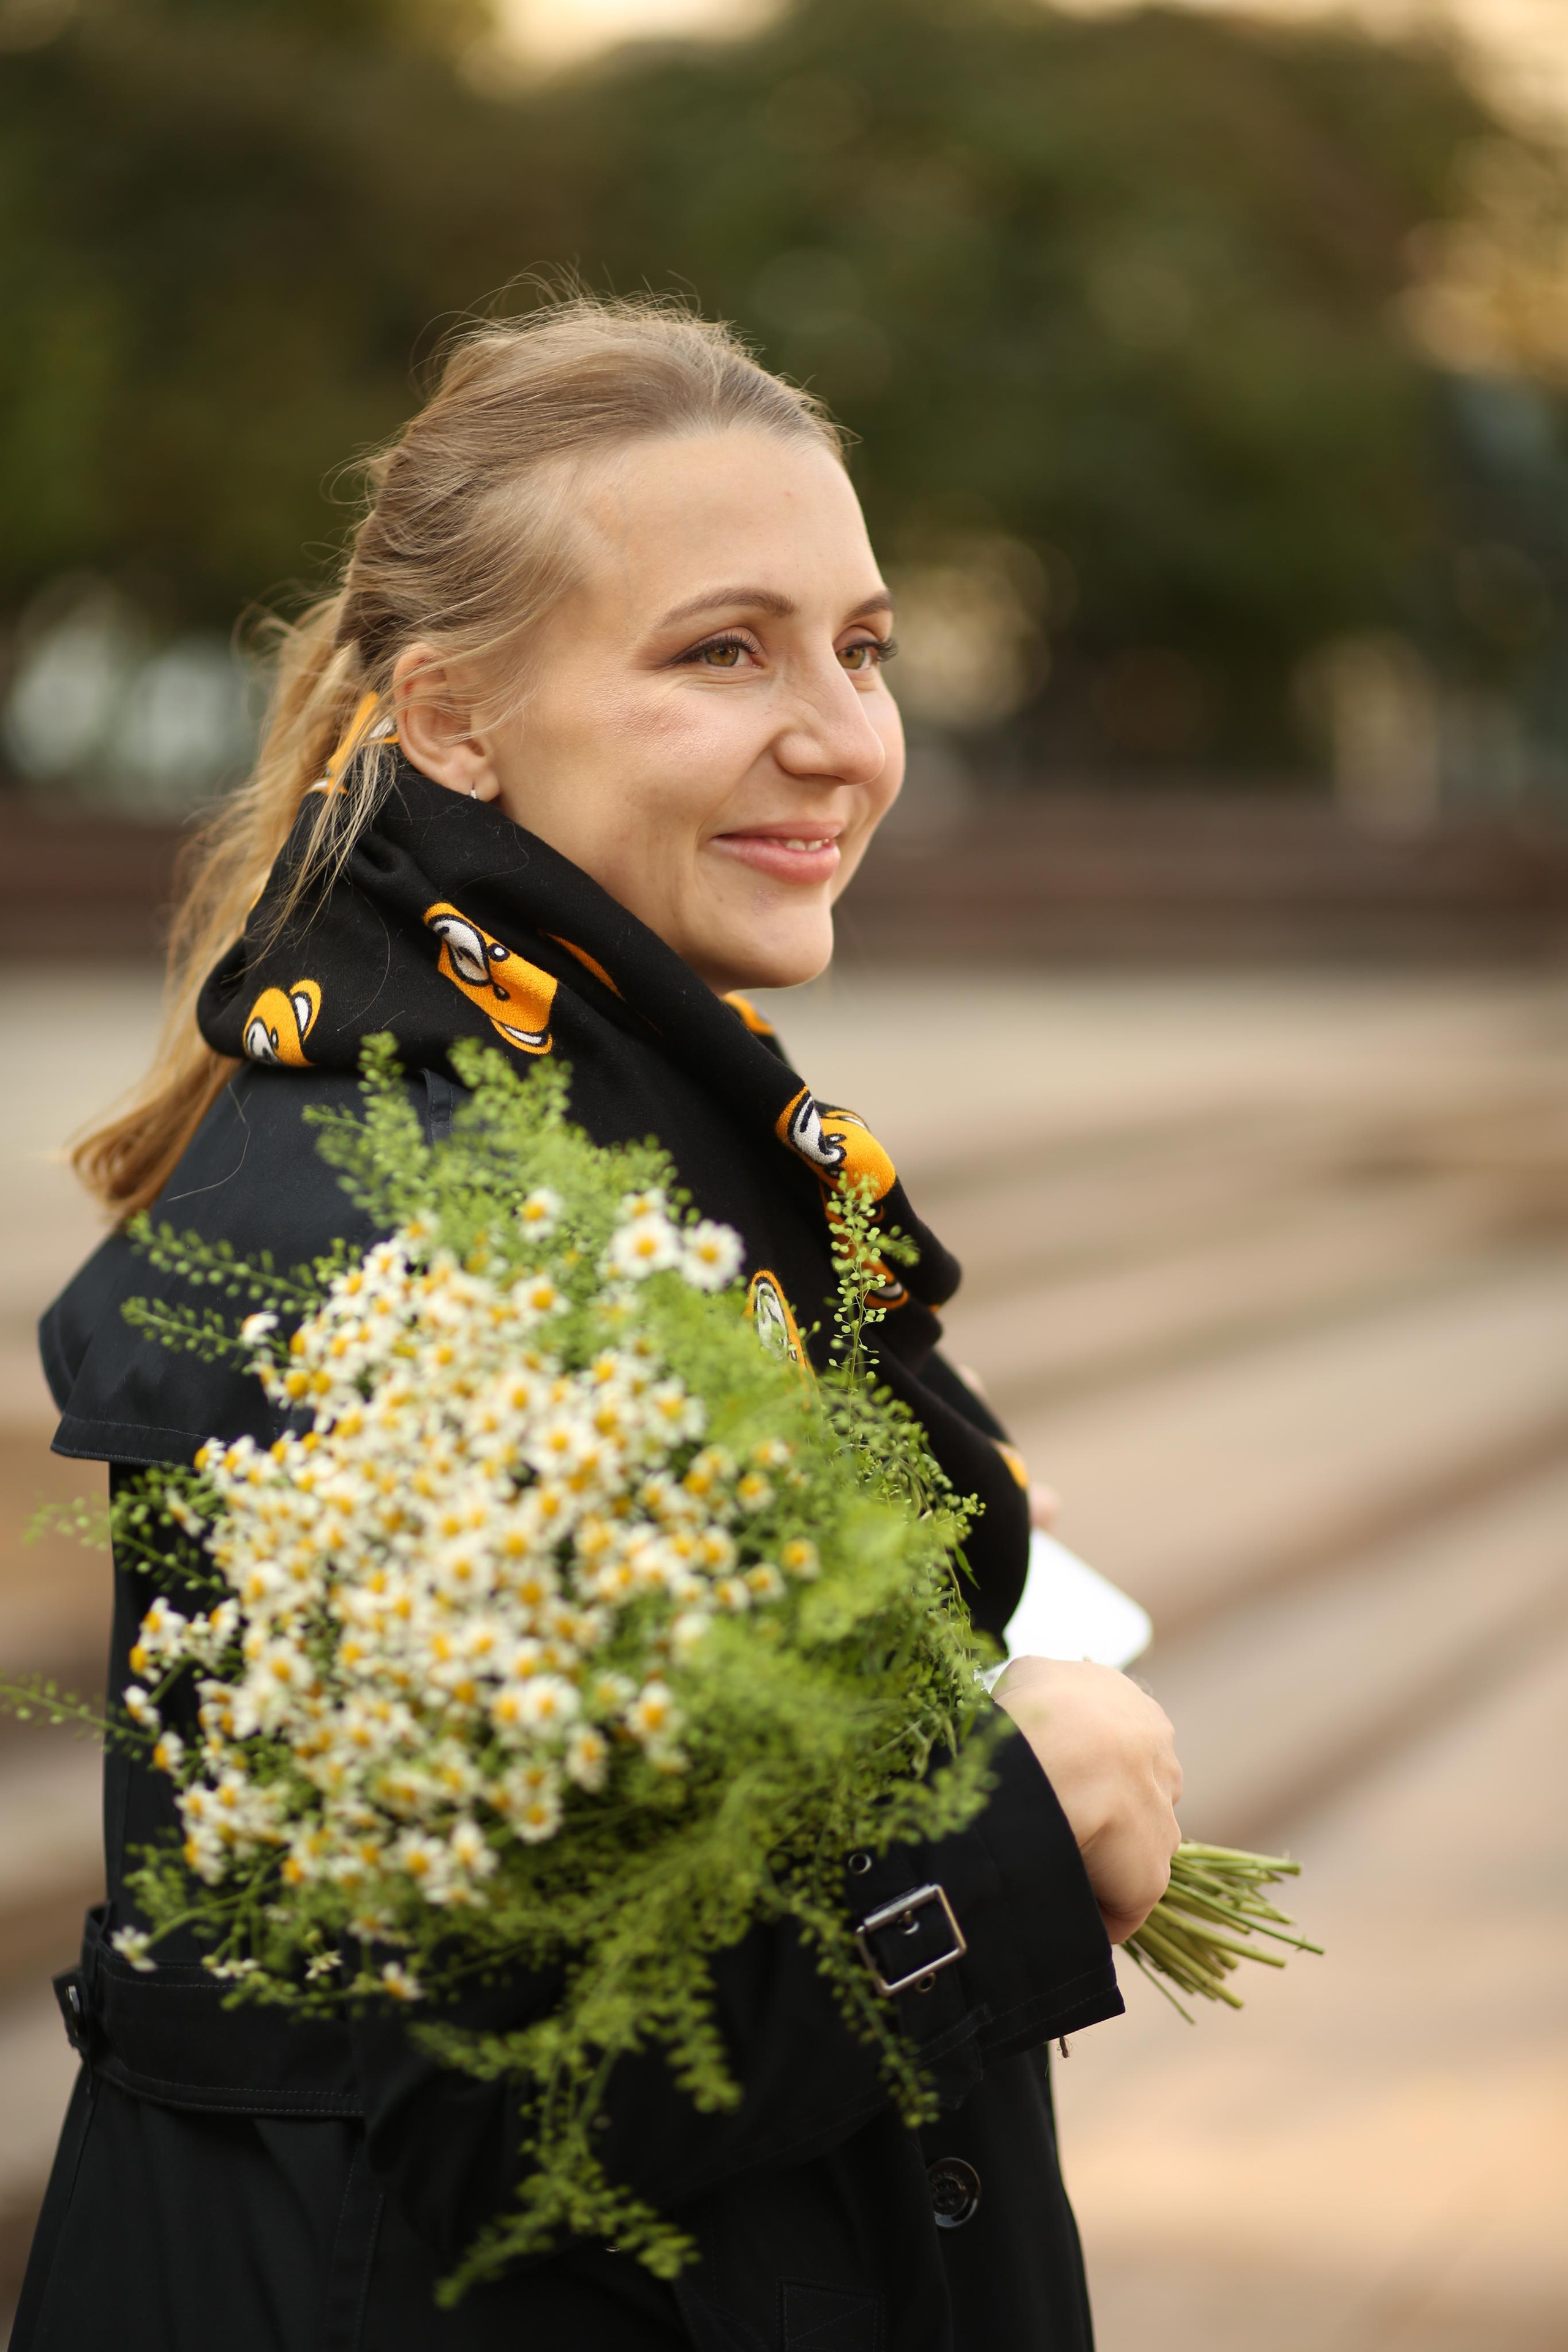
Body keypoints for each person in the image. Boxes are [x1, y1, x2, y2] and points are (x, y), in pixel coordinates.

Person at [15, 297, 1182, 2352]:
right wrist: (1008, 1824)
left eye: (862, 645)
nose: (840, 734)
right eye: (720, 651)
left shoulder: (615, 1107)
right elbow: (490, 2095)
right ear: (455, 725)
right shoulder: (391, 1245)